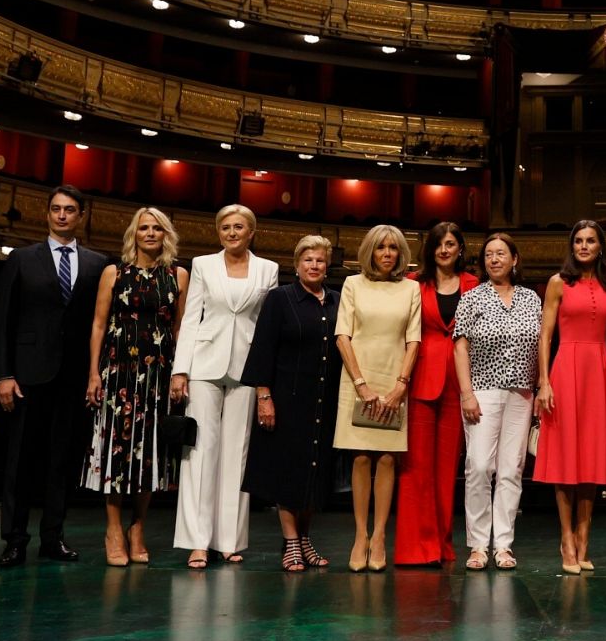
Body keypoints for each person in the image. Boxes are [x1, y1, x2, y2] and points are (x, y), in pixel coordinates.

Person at [0, 185, 107, 567]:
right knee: (21, 460)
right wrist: (4, 374)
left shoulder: (97, 263)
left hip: (73, 376)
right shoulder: (22, 259)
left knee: (62, 459)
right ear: (47, 213)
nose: (61, 215)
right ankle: (15, 539)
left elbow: (99, 324)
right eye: (55, 209)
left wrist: (94, 373)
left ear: (81, 216)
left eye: (69, 210)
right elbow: (2, 322)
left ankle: (53, 537)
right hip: (27, 375)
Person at [170, 204, 279, 569]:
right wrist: (180, 369)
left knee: (238, 452)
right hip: (204, 363)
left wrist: (266, 376)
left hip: (248, 365)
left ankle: (229, 540)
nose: (232, 233)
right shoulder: (202, 264)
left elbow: (267, 327)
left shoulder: (268, 269)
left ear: (251, 232)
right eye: (226, 228)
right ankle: (197, 542)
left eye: (239, 227)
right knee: (200, 451)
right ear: (219, 232)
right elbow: (190, 318)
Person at [81, 207, 189, 566]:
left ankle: (138, 527)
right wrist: (93, 374)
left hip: (158, 374)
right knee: (115, 449)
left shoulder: (178, 275)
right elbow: (97, 324)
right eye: (143, 228)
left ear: (166, 235)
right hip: (117, 373)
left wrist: (180, 372)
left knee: (150, 454)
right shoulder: (114, 273)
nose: (150, 233)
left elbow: (180, 330)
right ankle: (113, 529)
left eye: (157, 228)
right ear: (134, 233)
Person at [534, 220, 606, 575]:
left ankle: (584, 536)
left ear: (600, 246)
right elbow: (545, 336)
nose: (584, 246)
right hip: (566, 370)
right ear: (571, 246)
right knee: (565, 459)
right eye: (578, 240)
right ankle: (566, 537)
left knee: (591, 459)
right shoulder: (558, 283)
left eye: (590, 240)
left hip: (599, 373)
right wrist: (544, 381)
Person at [242, 236, 342, 572]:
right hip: (287, 398)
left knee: (315, 471)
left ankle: (304, 538)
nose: (314, 266)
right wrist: (264, 396)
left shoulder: (336, 301)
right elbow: (263, 348)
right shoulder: (280, 299)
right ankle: (291, 542)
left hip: (323, 400)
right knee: (288, 471)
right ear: (296, 264)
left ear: (327, 266)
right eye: (308, 260)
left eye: (320, 261)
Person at [335, 224, 422, 571]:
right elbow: (343, 335)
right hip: (357, 376)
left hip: (395, 376)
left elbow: (414, 339)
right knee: (360, 458)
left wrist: (401, 384)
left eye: (394, 248)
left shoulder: (411, 288)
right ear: (370, 251)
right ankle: (360, 535)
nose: (387, 253)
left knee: (387, 458)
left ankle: (380, 535)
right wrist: (360, 383)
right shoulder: (352, 283)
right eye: (381, 247)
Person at [452, 233, 541, 571]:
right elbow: (460, 347)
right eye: (488, 254)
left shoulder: (531, 299)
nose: (494, 259)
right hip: (483, 390)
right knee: (477, 466)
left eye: (501, 253)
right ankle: (477, 545)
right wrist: (466, 393)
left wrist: (541, 385)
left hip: (521, 393)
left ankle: (503, 544)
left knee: (511, 470)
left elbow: (541, 344)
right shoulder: (472, 298)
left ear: (514, 259)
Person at [398, 222, 479, 566]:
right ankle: (415, 547)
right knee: (415, 466)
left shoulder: (474, 285)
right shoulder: (415, 284)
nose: (444, 250)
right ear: (430, 250)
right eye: (438, 244)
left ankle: (442, 546)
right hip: (421, 376)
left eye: (450, 244)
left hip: (460, 380)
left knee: (448, 468)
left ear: (461, 248)